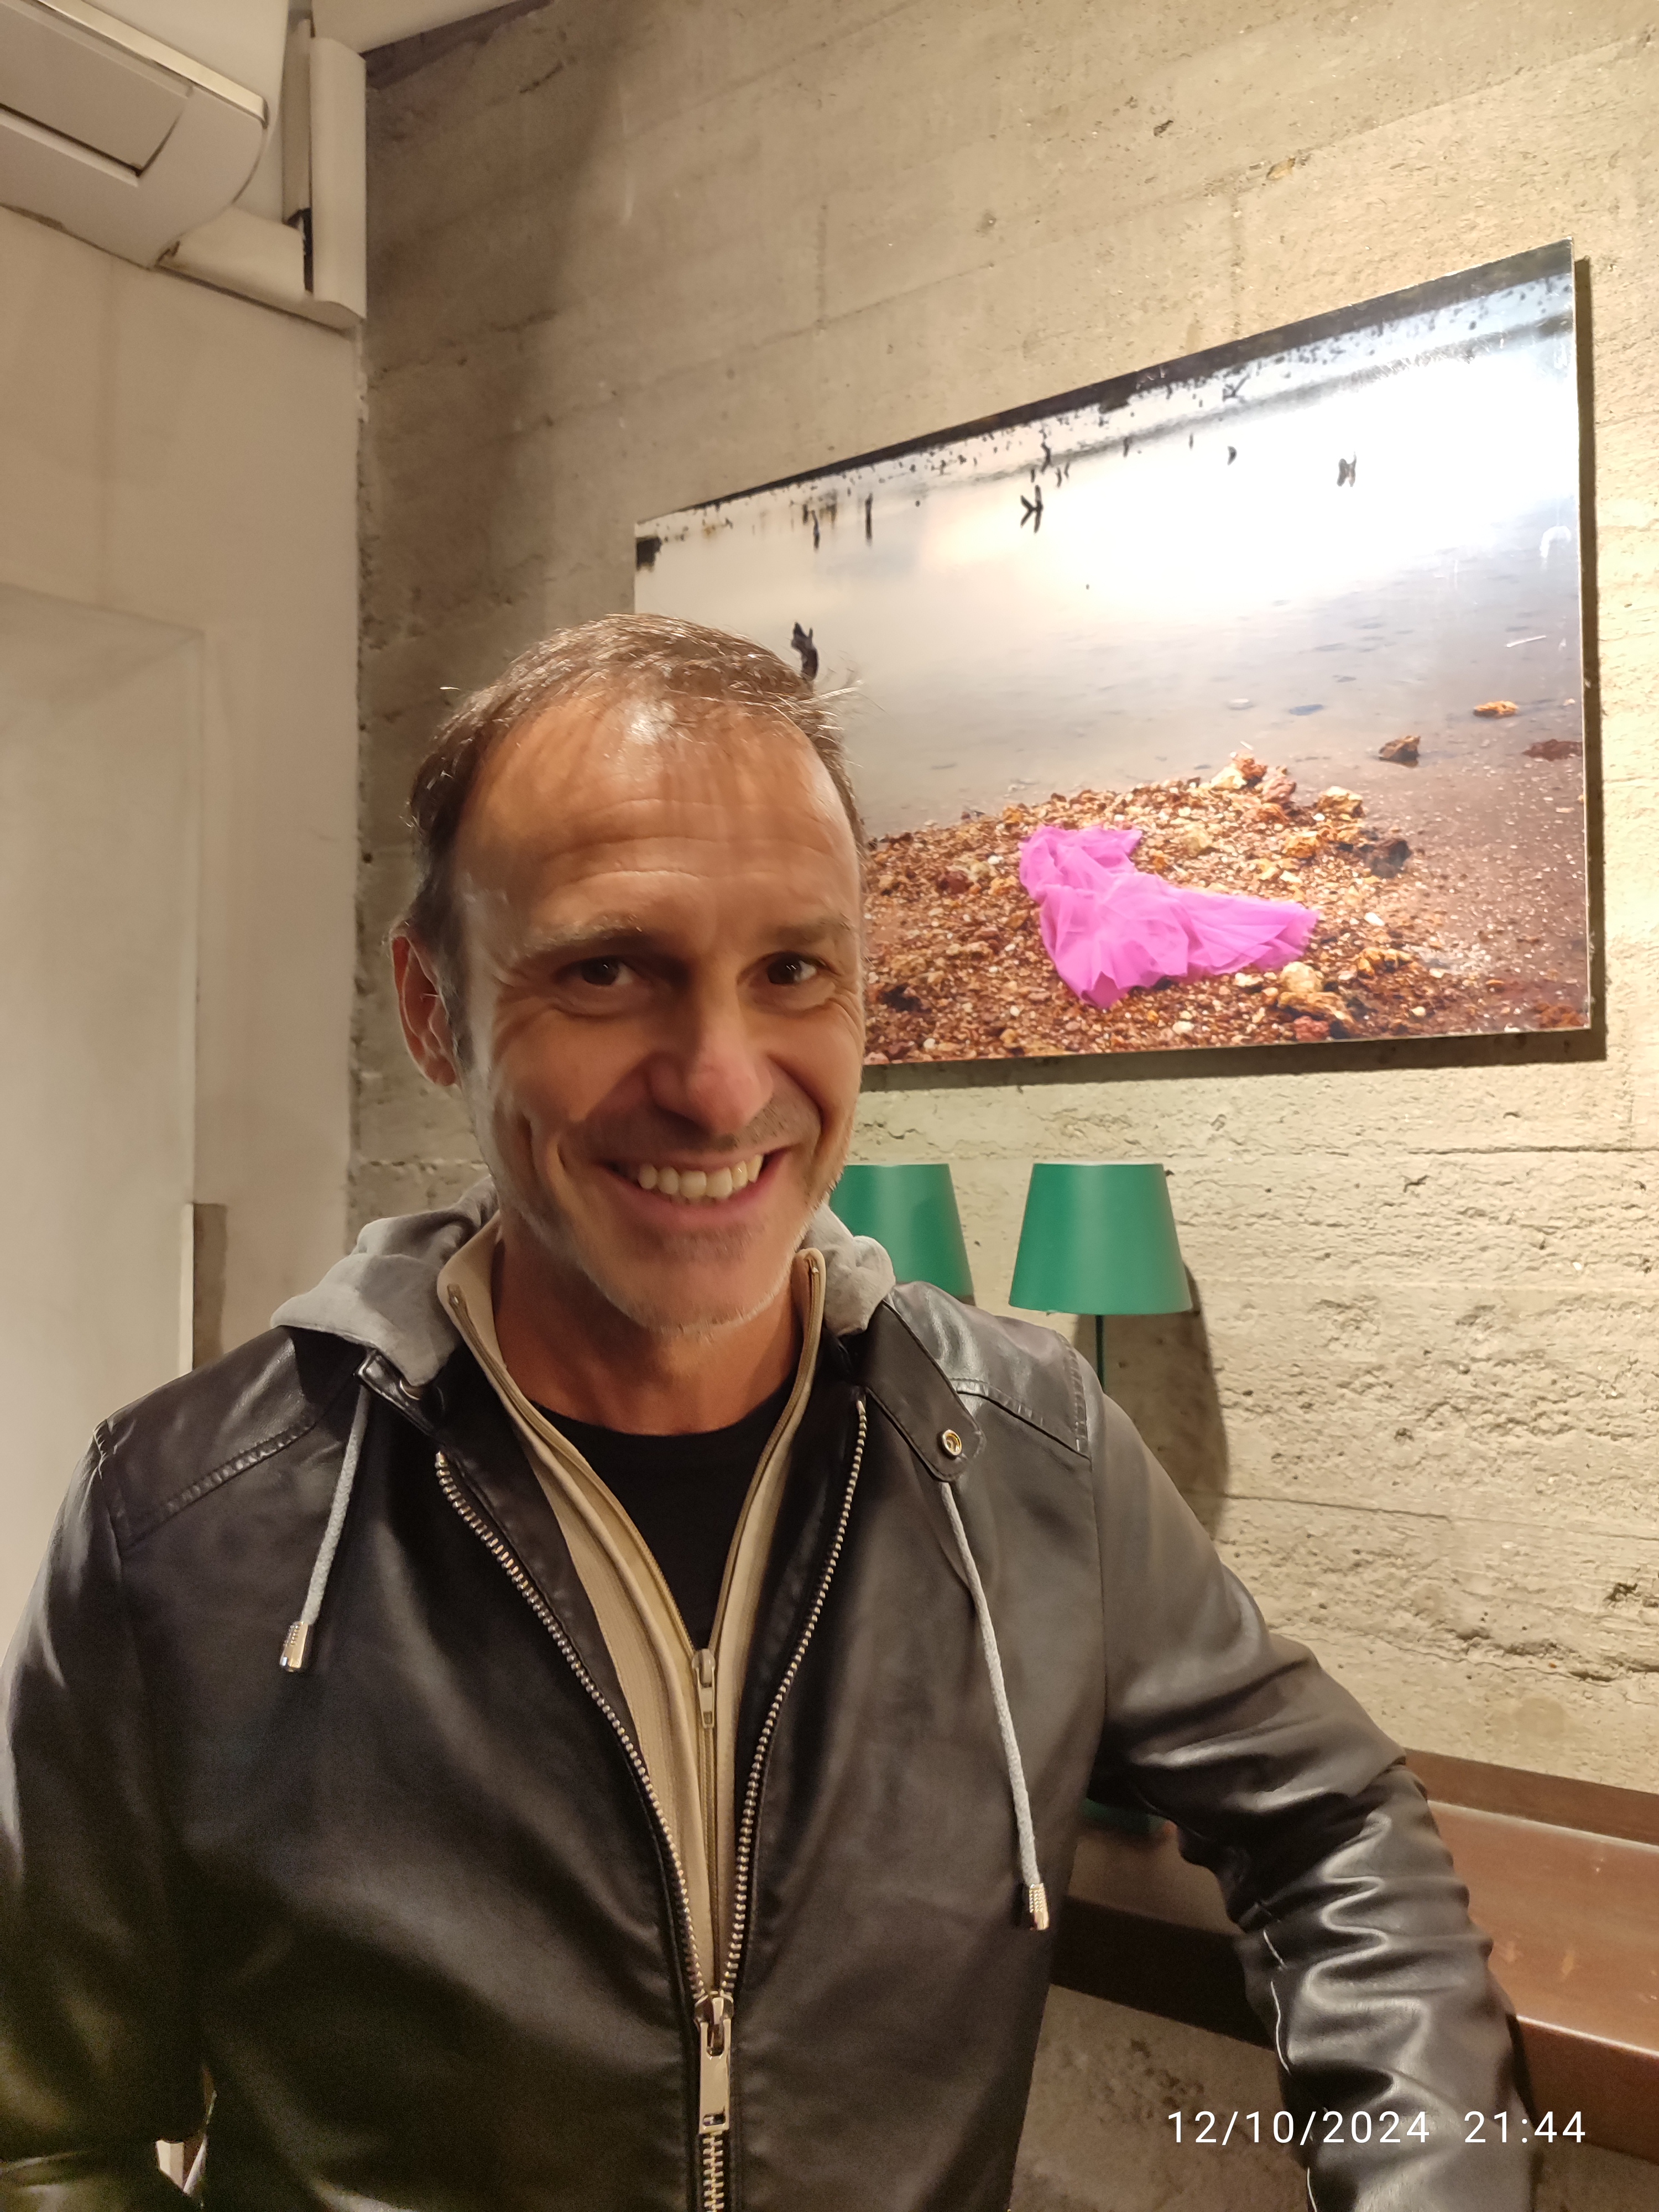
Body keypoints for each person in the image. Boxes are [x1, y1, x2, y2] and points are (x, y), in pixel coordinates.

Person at [0, 615, 1530, 2211]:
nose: (723, 1087)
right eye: (608, 970)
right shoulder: (184, 1518)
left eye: (792, 970)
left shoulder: (1027, 1449)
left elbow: (1338, 1829)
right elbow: (44, 2139)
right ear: (435, 1007)